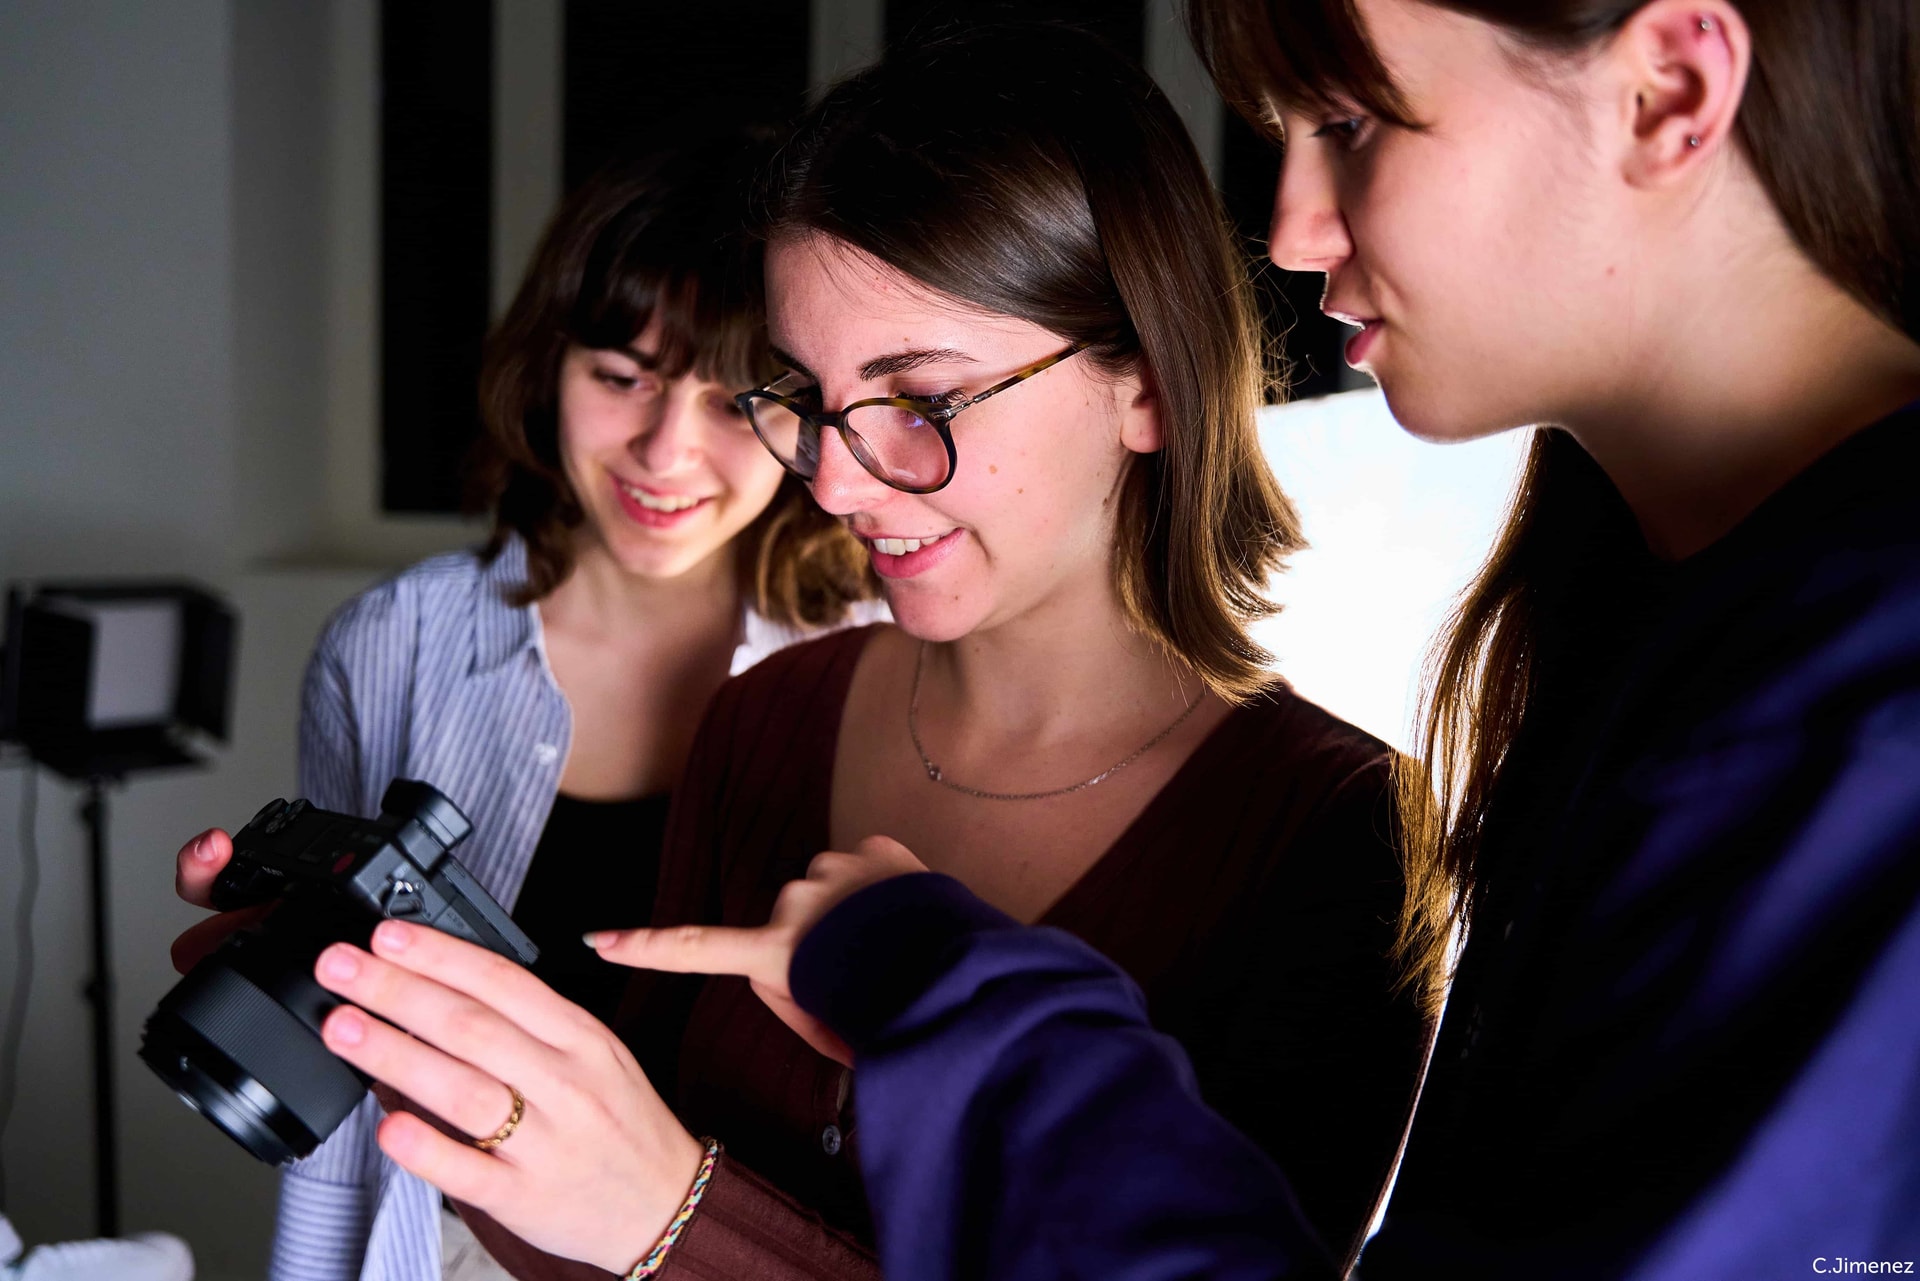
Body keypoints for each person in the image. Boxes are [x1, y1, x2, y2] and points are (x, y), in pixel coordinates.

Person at [580, 0, 1920, 1277]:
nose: (1285, 233)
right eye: (811, 401)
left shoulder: (1854, 711)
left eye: (1350, 121)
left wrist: (927, 1002)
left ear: (1669, 90)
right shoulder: (1636, 610)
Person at [175, 23, 1430, 1281]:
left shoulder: (1335, 832)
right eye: (810, 402)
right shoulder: (770, 716)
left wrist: (677, 1214)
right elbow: (586, 1225)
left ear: (1149, 382)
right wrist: (396, 1008)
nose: (834, 483)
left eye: (922, 404)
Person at [171, 137, 877, 1281]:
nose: (666, 449)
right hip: (450, 1241)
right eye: (621, 376)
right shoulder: (395, 646)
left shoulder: (872, 658)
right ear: (547, 369)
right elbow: (349, 1077)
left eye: (729, 400)